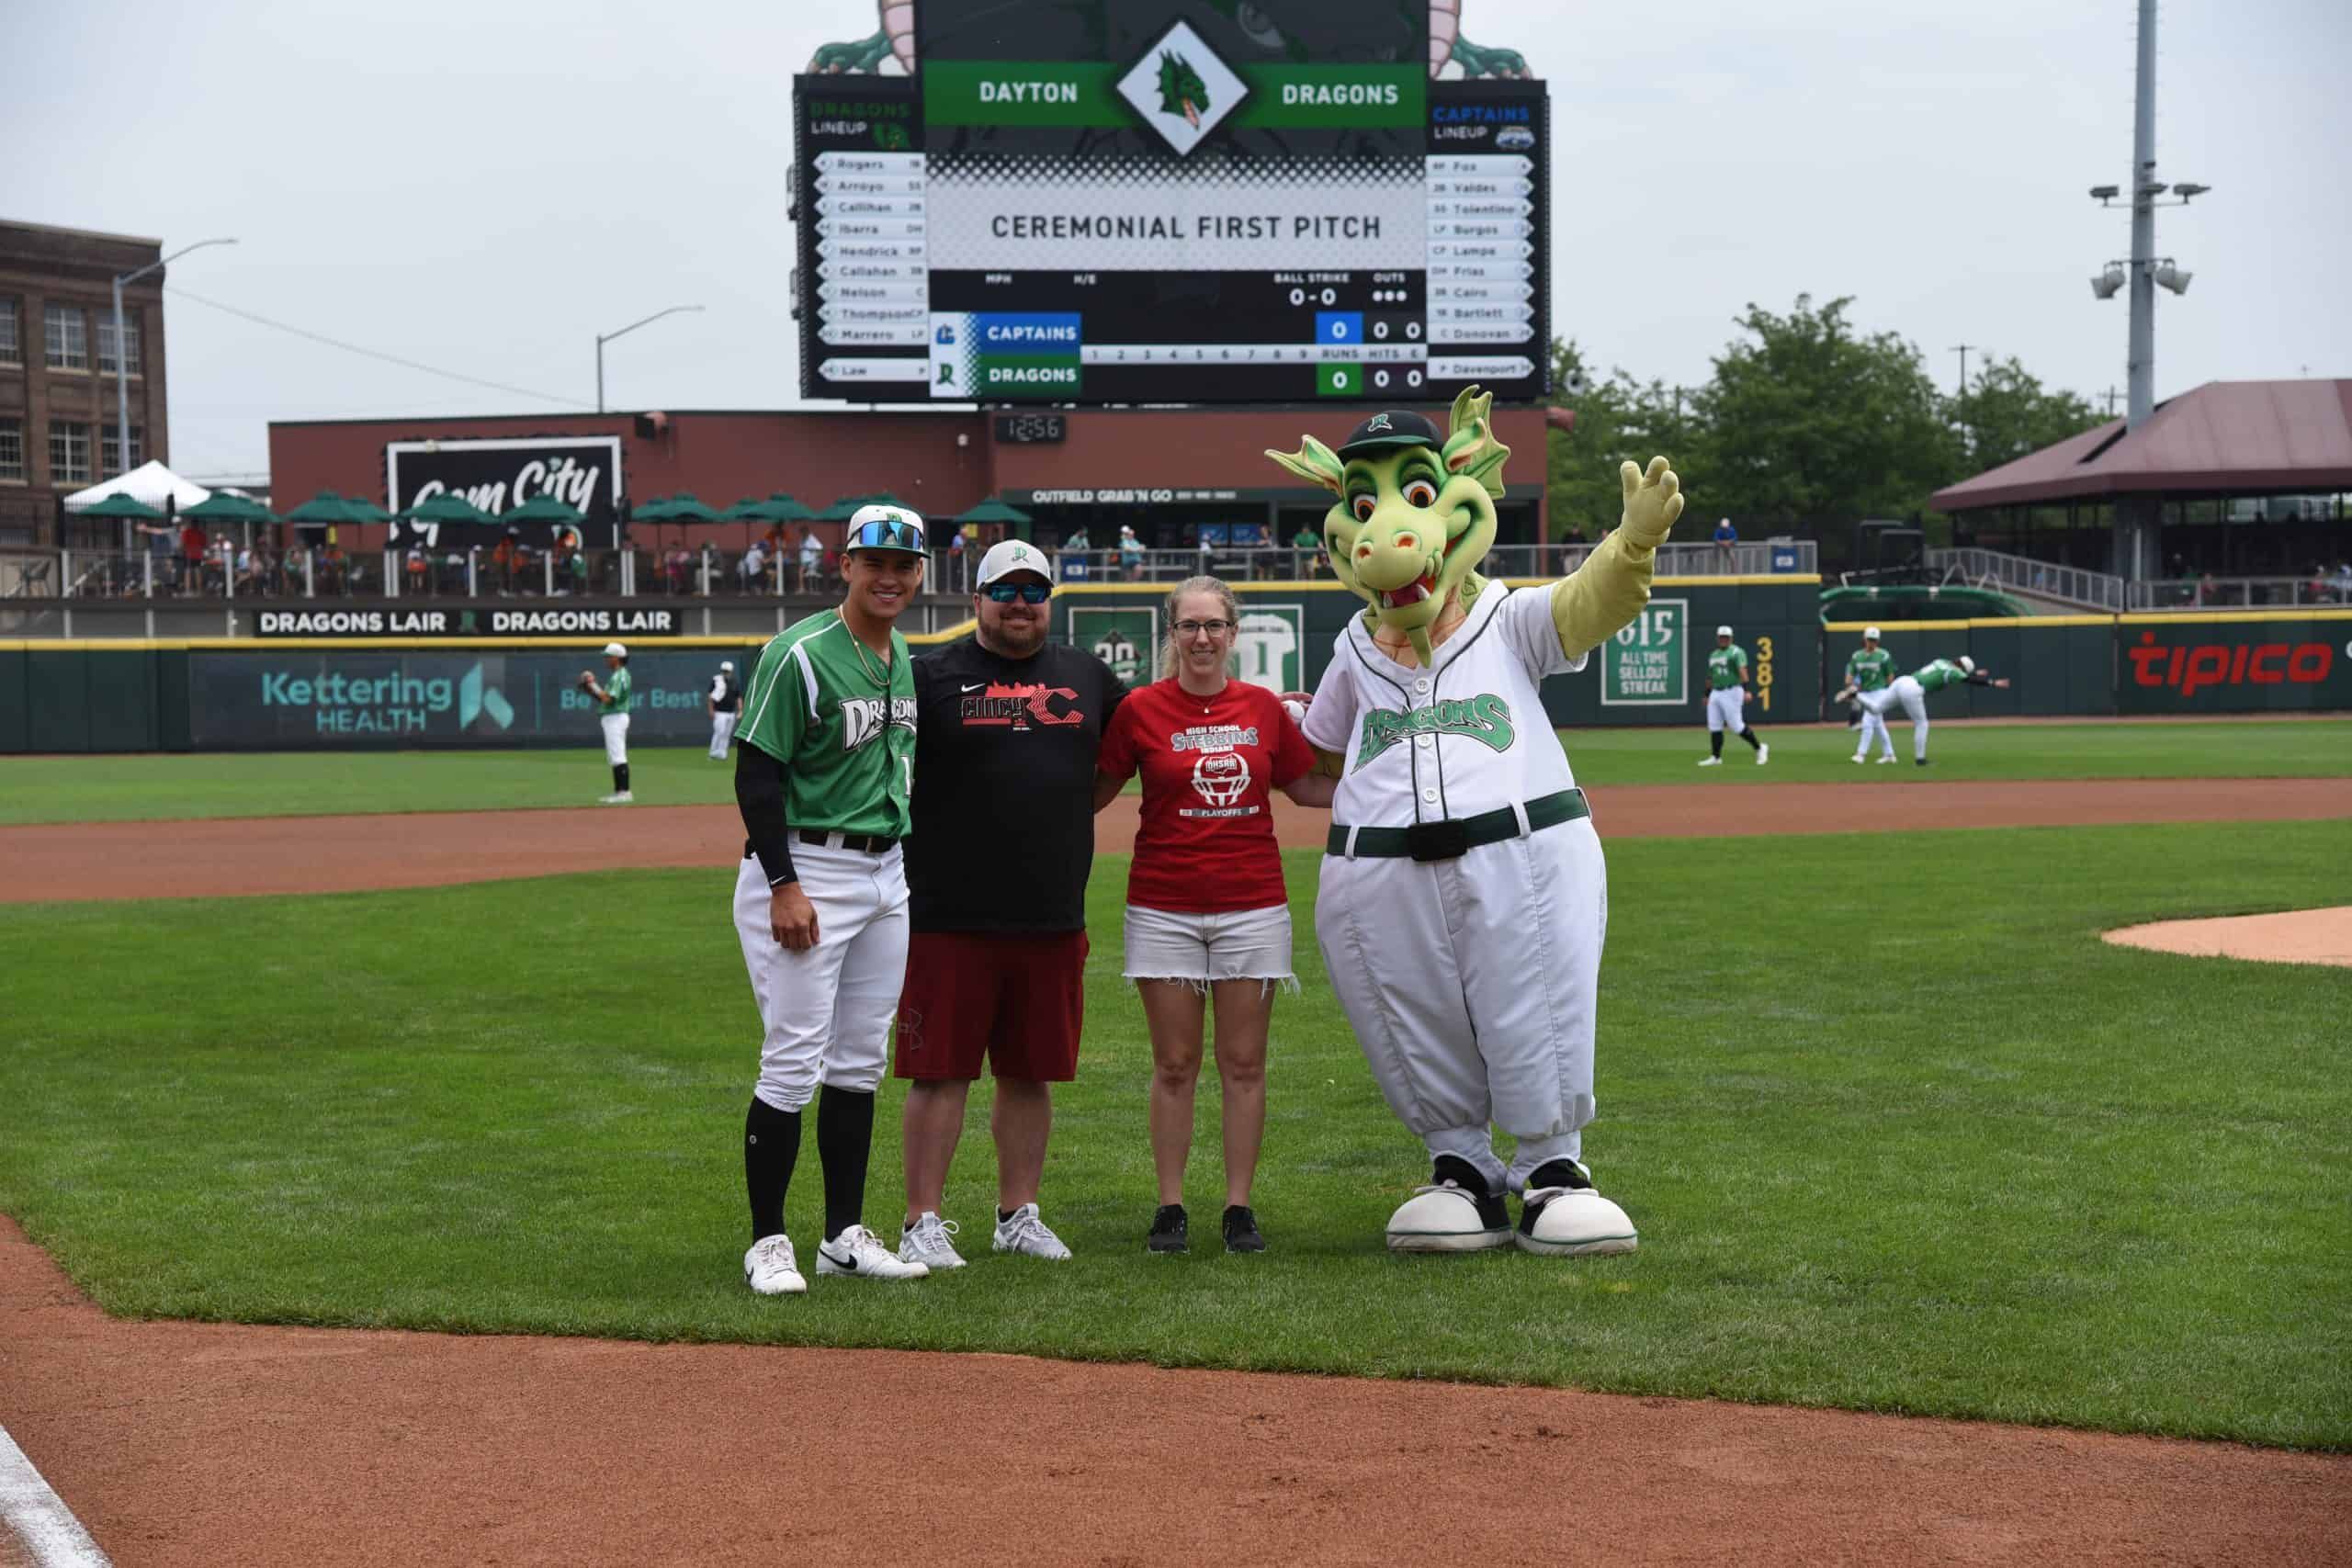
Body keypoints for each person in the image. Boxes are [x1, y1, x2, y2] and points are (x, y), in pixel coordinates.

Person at [1268, 391, 1658, 1258]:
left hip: (1516, 852)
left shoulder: (1506, 617)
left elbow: (1586, 604)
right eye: (1361, 505)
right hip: (1383, 872)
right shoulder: (1355, 648)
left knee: (1536, 1000)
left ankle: (1554, 1168)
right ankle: (1462, 1167)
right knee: (1412, 1010)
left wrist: (1629, 546)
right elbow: (1316, 751)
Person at [893, 537, 1127, 1270]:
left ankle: (1017, 1213)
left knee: (1031, 1070)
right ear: (978, 600)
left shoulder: (1089, 676)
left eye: (1035, 591)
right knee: (940, 1071)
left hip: (1051, 912)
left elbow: (1125, 758)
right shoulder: (931, 675)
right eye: (1006, 590)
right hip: (948, 911)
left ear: (1049, 600)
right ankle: (920, 1220)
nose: (1021, 603)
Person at [1092, 577, 1329, 1255]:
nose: (1202, 637)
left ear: (1233, 633)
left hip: (1251, 903)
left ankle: (1237, 1206)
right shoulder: (1139, 709)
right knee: (1174, 1063)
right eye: (1189, 625)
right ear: (1172, 633)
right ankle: (1170, 1205)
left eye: (1214, 626)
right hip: (1162, 905)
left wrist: (1393, 785)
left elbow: (1306, 784)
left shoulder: (1261, 708)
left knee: (1244, 1063)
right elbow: (1093, 790)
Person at [732, 503, 933, 1294]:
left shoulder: (900, 653)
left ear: (919, 573)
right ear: (845, 564)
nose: (890, 577)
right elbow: (755, 772)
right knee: (793, 1062)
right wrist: (784, 883)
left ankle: (843, 1234)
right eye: (875, 562)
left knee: (860, 1062)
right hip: (808, 866)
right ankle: (767, 1241)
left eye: (904, 565)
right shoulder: (801, 654)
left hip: (886, 872)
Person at [1834, 655, 2010, 767]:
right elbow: (1967, 680)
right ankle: (1920, 759)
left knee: (1877, 709)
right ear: (1963, 668)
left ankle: (1856, 694)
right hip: (1913, 690)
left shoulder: (1942, 661)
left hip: (1903, 681)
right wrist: (1992, 683)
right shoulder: (1956, 672)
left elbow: (1958, 671)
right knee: (1922, 723)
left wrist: (1975, 672)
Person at [1697, 625, 1767, 766]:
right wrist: (1706, 694)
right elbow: (1710, 676)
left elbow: (1742, 670)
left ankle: (1760, 748)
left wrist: (1747, 690)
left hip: (1732, 690)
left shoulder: (1736, 652)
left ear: (1731, 638)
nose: (1724, 640)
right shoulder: (1714, 654)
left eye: (1726, 637)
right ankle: (1716, 757)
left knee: (1736, 726)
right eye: (1722, 637)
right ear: (1717, 638)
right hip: (1716, 692)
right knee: (1714, 725)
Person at [580, 640, 635, 803]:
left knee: (618, 755)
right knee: (614, 756)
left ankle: (624, 792)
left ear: (616, 658)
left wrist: (592, 684)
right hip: (613, 716)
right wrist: (590, 689)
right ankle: (619, 792)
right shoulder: (619, 675)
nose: (606, 659)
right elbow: (604, 700)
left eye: (608, 656)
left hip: (616, 717)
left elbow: (608, 699)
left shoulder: (620, 675)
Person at [1843, 626, 1897, 764]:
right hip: (1865, 694)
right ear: (1864, 639)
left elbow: (1890, 676)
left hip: (1880, 692)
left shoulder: (1884, 656)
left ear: (1878, 641)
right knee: (1878, 725)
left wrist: (1890, 694)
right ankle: (1890, 755)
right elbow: (1850, 675)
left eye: (1874, 640)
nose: (1872, 643)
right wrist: (1849, 687)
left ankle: (1861, 754)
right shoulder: (1857, 656)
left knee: (1867, 722)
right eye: (1869, 640)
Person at [707, 658, 741, 760]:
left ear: (731, 671)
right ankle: (713, 753)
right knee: (719, 732)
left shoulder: (734, 682)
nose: (726, 673)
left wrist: (740, 710)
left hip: (731, 712)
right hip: (719, 712)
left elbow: (738, 697)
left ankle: (722, 753)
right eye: (724, 671)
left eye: (727, 671)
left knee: (726, 734)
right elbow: (710, 697)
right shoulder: (717, 680)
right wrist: (711, 710)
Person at [798, 526, 821, 594]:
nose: (801, 534)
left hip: (811, 561)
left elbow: (820, 548)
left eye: (802, 532)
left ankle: (802, 588)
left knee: (801, 571)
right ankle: (803, 588)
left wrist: (816, 559)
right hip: (804, 561)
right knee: (801, 570)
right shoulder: (802, 540)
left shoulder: (812, 539)